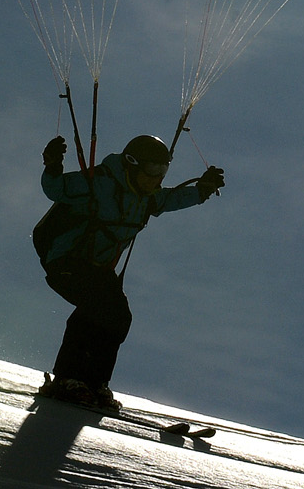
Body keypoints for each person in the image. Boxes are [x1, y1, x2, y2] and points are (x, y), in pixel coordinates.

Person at [32, 132, 225, 411]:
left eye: (164, 170)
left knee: (119, 317)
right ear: (132, 164)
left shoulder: (146, 198)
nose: (158, 177)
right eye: (153, 170)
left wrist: (202, 190)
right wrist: (52, 166)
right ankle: (66, 379)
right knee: (96, 304)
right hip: (66, 260)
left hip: (98, 270)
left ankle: (95, 383)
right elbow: (56, 189)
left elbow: (171, 199)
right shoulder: (99, 182)